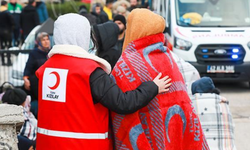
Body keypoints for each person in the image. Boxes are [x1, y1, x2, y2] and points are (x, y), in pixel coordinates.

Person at [35, 13, 171, 149]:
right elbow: (123, 103)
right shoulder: (89, 71)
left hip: (48, 144)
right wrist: (153, 87)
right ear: (82, 35)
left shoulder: (45, 69)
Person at [111, 9, 210, 150]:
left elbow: (121, 109)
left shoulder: (126, 64)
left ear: (135, 28)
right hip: (175, 137)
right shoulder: (170, 58)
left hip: (147, 138)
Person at [23, 32, 51, 118]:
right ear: (38, 42)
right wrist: (25, 79)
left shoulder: (52, 52)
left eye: (47, 39)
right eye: (43, 40)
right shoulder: (34, 54)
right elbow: (28, 68)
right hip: (37, 85)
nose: (46, 42)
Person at [0, 0, 15, 66]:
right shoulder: (7, 12)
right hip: (7, 32)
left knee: (2, 47)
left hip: (0, 32)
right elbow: (12, 22)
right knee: (8, 47)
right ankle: (9, 61)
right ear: (6, 5)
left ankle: (3, 61)